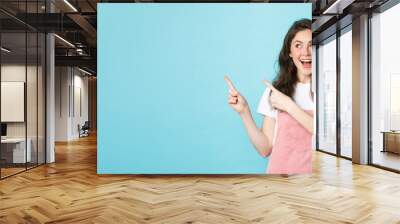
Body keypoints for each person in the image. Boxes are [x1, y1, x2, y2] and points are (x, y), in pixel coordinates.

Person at [224, 19, 313, 174]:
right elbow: (265, 149)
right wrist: (244, 112)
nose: (305, 52)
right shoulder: (276, 91)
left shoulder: (331, 90)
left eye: (312, 45)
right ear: (290, 52)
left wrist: (288, 106)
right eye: (298, 45)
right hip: (279, 181)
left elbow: (329, 138)